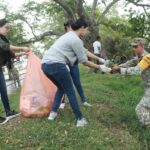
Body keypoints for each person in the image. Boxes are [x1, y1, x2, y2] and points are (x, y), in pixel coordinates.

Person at [42, 18, 111, 127]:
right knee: (70, 91)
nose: (87, 32)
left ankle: (53, 114)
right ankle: (80, 119)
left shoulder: (68, 36)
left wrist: (101, 60)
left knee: (61, 88)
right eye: (86, 29)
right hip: (57, 65)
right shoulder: (75, 40)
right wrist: (100, 67)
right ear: (82, 28)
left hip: (45, 65)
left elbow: (85, 52)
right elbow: (84, 61)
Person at [60, 20, 106, 109]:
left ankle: (84, 100)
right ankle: (62, 102)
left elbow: (85, 52)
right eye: (66, 28)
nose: (68, 29)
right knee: (64, 84)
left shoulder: (77, 38)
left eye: (69, 27)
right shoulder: (66, 38)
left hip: (73, 64)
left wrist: (99, 59)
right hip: (63, 65)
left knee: (77, 83)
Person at [112, 38, 150, 126]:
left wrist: (120, 70)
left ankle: (148, 127)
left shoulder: (147, 57)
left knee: (140, 108)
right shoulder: (138, 58)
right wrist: (115, 68)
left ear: (142, 46)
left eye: (136, 46)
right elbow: (128, 64)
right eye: (133, 47)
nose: (134, 49)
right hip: (148, 87)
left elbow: (137, 70)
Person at [0, 19, 30, 125]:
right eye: (6, 27)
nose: (8, 30)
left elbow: (11, 54)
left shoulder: (3, 39)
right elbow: (6, 47)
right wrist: (22, 47)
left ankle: (8, 112)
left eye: (9, 28)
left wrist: (24, 53)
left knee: (3, 90)